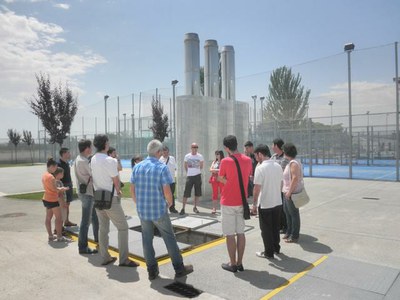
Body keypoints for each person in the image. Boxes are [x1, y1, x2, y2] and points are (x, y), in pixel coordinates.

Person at [131, 139, 194, 280]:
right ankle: (179, 268)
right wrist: (168, 204)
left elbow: (132, 190)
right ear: (158, 152)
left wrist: (139, 204)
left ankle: (152, 271)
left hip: (143, 211)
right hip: (158, 211)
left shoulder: (137, 167)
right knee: (169, 239)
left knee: (146, 240)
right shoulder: (161, 167)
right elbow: (167, 192)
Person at [90, 134, 138, 267]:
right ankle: (124, 259)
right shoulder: (110, 160)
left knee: (103, 228)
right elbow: (116, 180)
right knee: (123, 228)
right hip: (111, 199)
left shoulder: (93, 159)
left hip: (98, 197)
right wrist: (119, 190)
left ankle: (105, 257)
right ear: (105, 144)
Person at [218, 135, 252, 272]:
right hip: (242, 202)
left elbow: (221, 178)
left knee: (230, 235)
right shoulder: (248, 160)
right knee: (241, 233)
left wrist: (228, 182)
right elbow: (246, 176)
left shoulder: (225, 161)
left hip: (228, 202)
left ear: (226, 148)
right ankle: (239, 263)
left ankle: (232, 263)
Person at [252, 144, 283, 259]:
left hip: (265, 204)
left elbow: (256, 188)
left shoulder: (260, 168)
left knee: (266, 230)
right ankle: (276, 248)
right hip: (278, 202)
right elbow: (281, 184)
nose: (255, 158)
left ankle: (268, 252)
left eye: (256, 155)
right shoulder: (278, 166)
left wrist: (254, 205)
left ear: (260, 154)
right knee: (275, 228)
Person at [74, 139, 99, 255]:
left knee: (94, 218)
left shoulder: (79, 159)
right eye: (91, 147)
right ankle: (83, 247)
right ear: (87, 148)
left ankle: (97, 239)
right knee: (85, 221)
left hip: (85, 192)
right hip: (87, 194)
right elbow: (93, 174)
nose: (92, 149)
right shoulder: (83, 161)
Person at [41, 158, 70, 242]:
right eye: (55, 167)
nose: (55, 169)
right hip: (53, 199)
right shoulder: (51, 177)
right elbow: (55, 189)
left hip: (46, 198)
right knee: (59, 218)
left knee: (48, 217)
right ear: (52, 166)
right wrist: (63, 189)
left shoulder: (44, 175)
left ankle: (50, 236)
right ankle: (59, 236)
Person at [282, 143, 303, 243]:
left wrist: (289, 192)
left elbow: (295, 178)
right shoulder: (290, 162)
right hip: (287, 192)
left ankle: (294, 235)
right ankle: (289, 231)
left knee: (293, 214)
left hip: (292, 193)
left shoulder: (293, 163)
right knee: (287, 212)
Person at [180, 142, 204, 215]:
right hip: (190, 176)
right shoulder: (187, 156)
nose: (195, 148)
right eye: (193, 147)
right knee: (186, 192)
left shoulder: (200, 156)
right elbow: (185, 165)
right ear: (191, 148)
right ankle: (183, 208)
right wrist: (189, 172)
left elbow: (201, 166)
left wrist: (196, 170)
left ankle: (195, 207)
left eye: (196, 147)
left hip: (197, 176)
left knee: (197, 193)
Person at [271, 138, 289, 234]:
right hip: (274, 186)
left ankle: (285, 226)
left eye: (273, 145)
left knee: (283, 208)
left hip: (282, 187)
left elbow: (281, 172)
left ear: (277, 146)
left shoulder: (285, 158)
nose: (272, 147)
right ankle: (279, 225)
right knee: (277, 207)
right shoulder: (273, 156)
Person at [58, 148, 76, 227]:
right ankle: (59, 226)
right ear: (64, 154)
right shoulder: (58, 164)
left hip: (69, 185)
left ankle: (66, 221)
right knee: (62, 206)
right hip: (63, 186)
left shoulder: (67, 163)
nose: (70, 154)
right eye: (68, 153)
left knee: (67, 204)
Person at [159, 145, 178, 213]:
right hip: (164, 181)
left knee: (171, 195)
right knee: (164, 195)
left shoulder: (172, 158)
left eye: (166, 152)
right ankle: (164, 209)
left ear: (168, 152)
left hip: (172, 180)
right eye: (164, 152)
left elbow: (175, 167)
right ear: (162, 152)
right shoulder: (160, 159)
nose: (165, 153)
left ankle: (172, 208)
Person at [209, 150, 224, 214]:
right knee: (215, 193)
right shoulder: (214, 162)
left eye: (218, 154)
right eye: (216, 154)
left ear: (221, 154)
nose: (216, 155)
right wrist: (217, 170)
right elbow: (210, 169)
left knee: (222, 193)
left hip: (221, 178)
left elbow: (223, 170)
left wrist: (215, 170)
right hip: (214, 178)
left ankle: (222, 207)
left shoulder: (223, 161)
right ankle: (214, 208)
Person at [53, 167, 67, 232]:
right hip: (60, 202)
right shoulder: (57, 182)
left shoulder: (57, 182)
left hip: (59, 202)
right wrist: (63, 203)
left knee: (59, 216)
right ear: (58, 174)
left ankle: (57, 228)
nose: (63, 175)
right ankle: (59, 229)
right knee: (61, 217)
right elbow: (60, 194)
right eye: (62, 173)